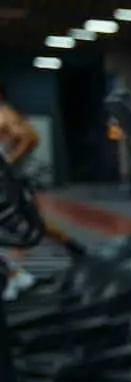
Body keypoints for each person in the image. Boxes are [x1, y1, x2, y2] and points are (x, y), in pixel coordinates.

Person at [0, 82, 43, 300]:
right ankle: (15, 276)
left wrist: (8, 162)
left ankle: (14, 277)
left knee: (20, 227)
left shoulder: (4, 114)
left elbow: (31, 137)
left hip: (6, 183)